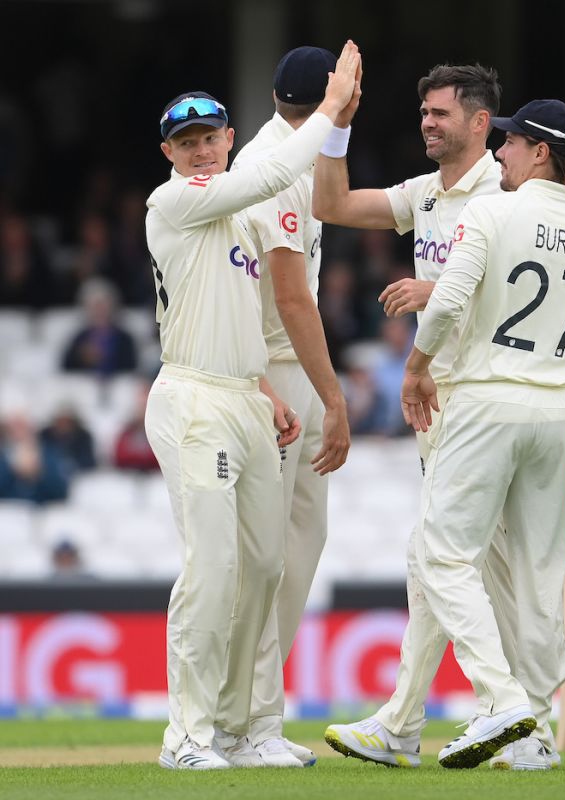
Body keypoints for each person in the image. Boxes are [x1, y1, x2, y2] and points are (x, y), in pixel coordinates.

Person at [318, 64, 556, 770]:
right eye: (423, 111)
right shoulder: (425, 193)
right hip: (443, 406)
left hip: (487, 399)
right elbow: (332, 202)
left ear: (482, 124)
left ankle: (511, 719)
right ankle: (412, 721)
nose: (427, 122)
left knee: (480, 568)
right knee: (440, 564)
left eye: (441, 113)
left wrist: (440, 287)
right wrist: (338, 120)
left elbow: (524, 294)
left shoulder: (510, 190)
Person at [144, 42, 358, 771]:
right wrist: (332, 111)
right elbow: (271, 174)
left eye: (210, 138)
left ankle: (245, 729)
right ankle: (187, 736)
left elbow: (241, 316)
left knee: (265, 566)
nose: (201, 151)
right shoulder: (176, 201)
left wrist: (267, 391)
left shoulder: (236, 219)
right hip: (194, 397)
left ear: (227, 136)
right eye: (187, 142)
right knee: (213, 569)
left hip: (242, 394)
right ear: (169, 152)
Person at [398, 97, 565, 769]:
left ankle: (502, 700)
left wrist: (417, 368)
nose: (499, 154)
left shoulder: (491, 211)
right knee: (537, 573)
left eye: (511, 144)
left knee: (440, 554)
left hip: (488, 400)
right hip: (555, 413)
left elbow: (447, 303)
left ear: (542, 153)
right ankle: (533, 738)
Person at [229, 45, 354, 768]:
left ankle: (250, 715)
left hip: (289, 369)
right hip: (268, 373)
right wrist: (333, 399)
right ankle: (247, 725)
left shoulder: (303, 158)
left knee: (300, 548)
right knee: (266, 558)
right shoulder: (273, 165)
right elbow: (288, 294)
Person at [61, 277, 139, 376]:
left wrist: (105, 356)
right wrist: (82, 358)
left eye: (103, 305)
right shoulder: (79, 339)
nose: (100, 311)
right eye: (95, 306)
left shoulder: (124, 338)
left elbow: (131, 367)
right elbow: (66, 368)